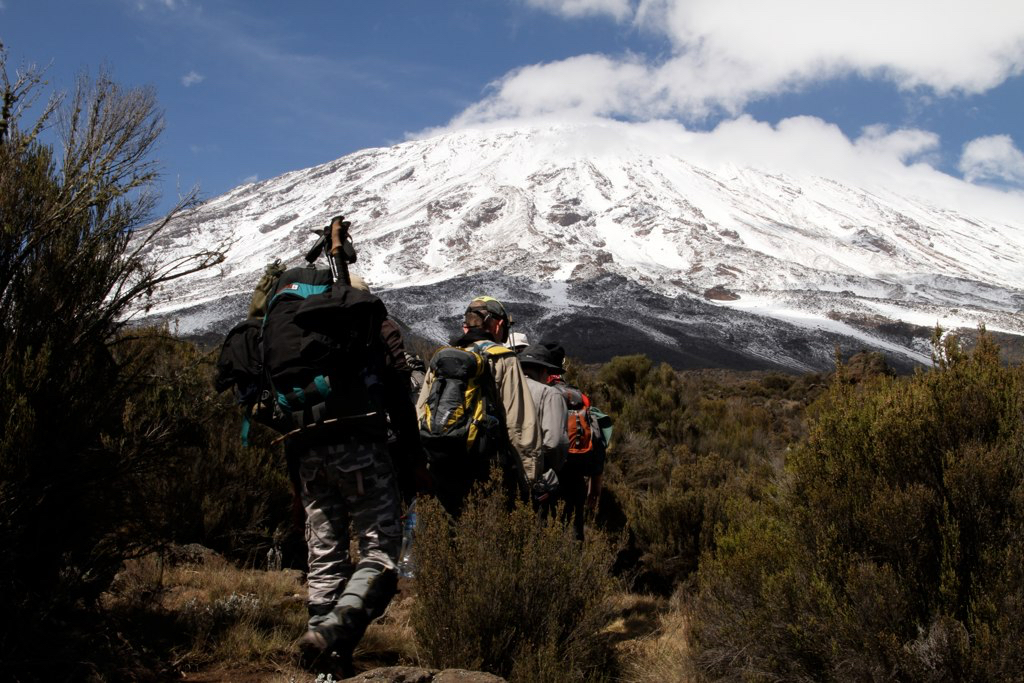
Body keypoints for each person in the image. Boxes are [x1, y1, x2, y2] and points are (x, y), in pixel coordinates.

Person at [292, 222, 404, 677]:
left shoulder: (298, 331)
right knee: (380, 551)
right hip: (360, 448)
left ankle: (325, 653)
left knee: (325, 554)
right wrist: (412, 458)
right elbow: (397, 390)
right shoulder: (372, 326)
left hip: (307, 454)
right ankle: (336, 627)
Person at [416, 296, 542, 515]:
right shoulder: (504, 359)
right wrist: (530, 479)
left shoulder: (444, 358)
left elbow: (420, 413)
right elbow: (520, 424)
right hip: (486, 468)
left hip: (441, 465)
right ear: (498, 324)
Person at [519, 342, 605, 540]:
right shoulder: (576, 395)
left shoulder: (536, 392)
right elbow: (597, 438)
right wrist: (595, 485)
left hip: (543, 476)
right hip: (574, 476)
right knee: (573, 533)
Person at [517, 343, 568, 511]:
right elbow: (555, 442)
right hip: (535, 479)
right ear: (543, 371)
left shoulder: (501, 388)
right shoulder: (550, 394)